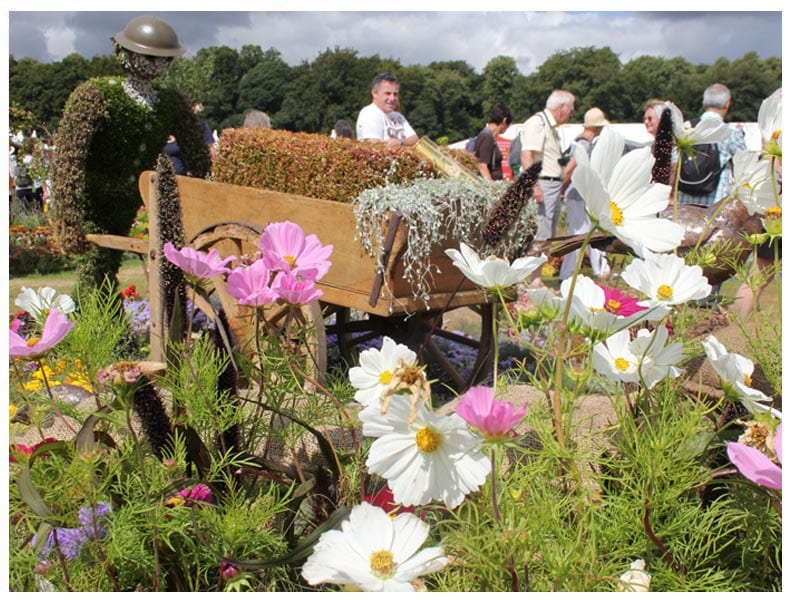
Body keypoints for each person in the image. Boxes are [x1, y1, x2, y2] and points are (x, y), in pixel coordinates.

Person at [50, 15, 211, 294]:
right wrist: (69, 217)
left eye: (162, 59)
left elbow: (197, 153)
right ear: (123, 54)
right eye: (147, 58)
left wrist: (208, 195)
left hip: (129, 199)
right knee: (97, 262)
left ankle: (84, 321)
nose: (154, 65)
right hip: (94, 198)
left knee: (107, 263)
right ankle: (108, 329)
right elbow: (68, 159)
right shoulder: (97, 95)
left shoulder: (169, 102)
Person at [519, 89, 575, 285]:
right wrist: (534, 185)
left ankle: (536, 279)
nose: (571, 114)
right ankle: (532, 280)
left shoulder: (549, 125)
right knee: (540, 234)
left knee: (546, 234)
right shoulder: (538, 123)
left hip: (551, 183)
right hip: (543, 182)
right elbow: (527, 155)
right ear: (561, 108)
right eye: (571, 110)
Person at [558, 107, 611, 283]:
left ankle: (596, 270)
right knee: (579, 235)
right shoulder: (584, 144)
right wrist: (561, 189)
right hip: (577, 195)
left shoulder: (578, 141)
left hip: (579, 195)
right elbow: (569, 170)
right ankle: (568, 273)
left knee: (584, 234)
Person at [676, 83, 747, 206]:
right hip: (714, 205)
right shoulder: (730, 132)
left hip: (684, 203)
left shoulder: (686, 127)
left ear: (704, 104)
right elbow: (746, 164)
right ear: (727, 104)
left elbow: (673, 160)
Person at [356, 72, 418, 147]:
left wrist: (400, 143)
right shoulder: (369, 114)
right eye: (388, 93)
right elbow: (374, 146)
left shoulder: (398, 116)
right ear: (374, 93)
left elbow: (415, 140)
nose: (392, 98)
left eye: (395, 94)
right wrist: (405, 144)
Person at [472, 104, 513, 181]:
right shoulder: (487, 137)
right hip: (489, 186)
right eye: (508, 124)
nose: (508, 127)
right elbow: (482, 166)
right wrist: (491, 189)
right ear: (504, 121)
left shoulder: (487, 136)